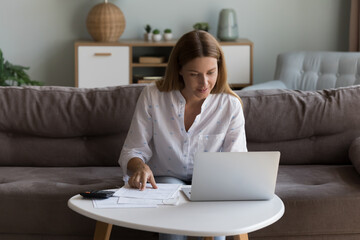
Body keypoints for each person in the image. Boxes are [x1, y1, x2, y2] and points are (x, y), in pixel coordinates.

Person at [118, 30, 247, 240]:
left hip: (210, 183)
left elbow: (237, 161)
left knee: (215, 231)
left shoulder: (230, 106)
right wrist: (140, 167)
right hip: (166, 179)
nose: (204, 83)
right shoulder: (153, 95)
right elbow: (133, 149)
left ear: (219, 69)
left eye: (211, 72)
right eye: (194, 74)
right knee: (172, 224)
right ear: (179, 69)